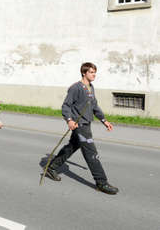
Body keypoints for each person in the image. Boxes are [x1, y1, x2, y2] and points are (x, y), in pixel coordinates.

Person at [45, 62, 119, 195]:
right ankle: (101, 182)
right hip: (79, 126)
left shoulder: (91, 87)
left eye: (95, 72)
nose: (94, 74)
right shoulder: (76, 88)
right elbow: (66, 106)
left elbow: (94, 106)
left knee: (72, 146)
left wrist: (104, 120)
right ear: (84, 73)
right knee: (91, 153)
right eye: (91, 72)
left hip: (86, 124)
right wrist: (69, 120)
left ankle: (52, 167)